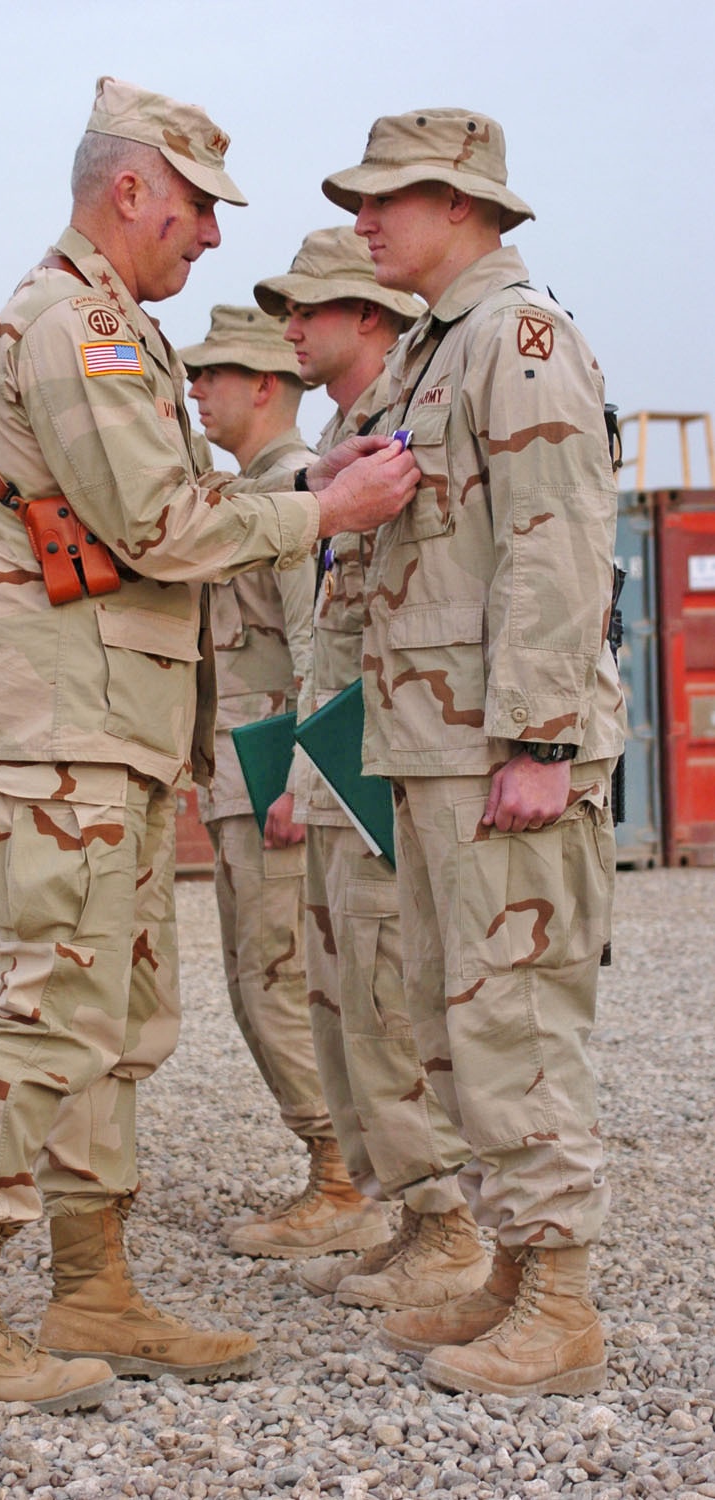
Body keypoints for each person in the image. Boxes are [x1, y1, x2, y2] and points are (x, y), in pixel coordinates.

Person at [0, 75, 420, 1413]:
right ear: (130, 190)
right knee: (46, 1005)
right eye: (195, 209)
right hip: (58, 729)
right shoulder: (77, 327)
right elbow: (165, 527)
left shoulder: (116, 323)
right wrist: (326, 510)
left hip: (102, 728)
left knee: (116, 1020)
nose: (212, 239)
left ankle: (92, 1286)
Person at [320, 107, 627, 1396]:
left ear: (461, 203)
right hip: (429, 745)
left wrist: (543, 737)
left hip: (499, 747)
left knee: (514, 1019)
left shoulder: (518, 338)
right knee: (456, 1024)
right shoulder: (429, 358)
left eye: (385, 197)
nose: (362, 220)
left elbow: (556, 542)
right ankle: (510, 1266)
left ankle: (561, 1302)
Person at [253, 227, 486, 1304]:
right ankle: (408, 1208)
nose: (288, 329)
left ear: (369, 319)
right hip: (346, 757)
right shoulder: (353, 431)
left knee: (391, 992)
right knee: (342, 994)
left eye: (309, 309)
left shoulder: (411, 417)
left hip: (398, 754)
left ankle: (448, 1227)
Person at [182, 303, 386, 1258]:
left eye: (211, 373)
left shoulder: (298, 499)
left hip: (274, 775)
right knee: (252, 979)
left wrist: (298, 778)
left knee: (276, 983)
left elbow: (318, 641)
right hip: (243, 769)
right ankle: (340, 1170)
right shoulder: (252, 493)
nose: (195, 388)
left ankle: (343, 1179)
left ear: (263, 385)